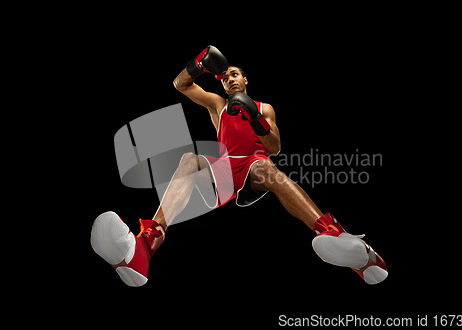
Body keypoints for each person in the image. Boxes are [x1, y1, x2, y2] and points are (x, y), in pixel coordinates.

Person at [91, 46, 388, 287]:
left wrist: (253, 116)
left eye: (235, 75)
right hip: (223, 169)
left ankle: (338, 238)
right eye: (225, 77)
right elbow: (180, 84)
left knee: (267, 168)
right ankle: (144, 246)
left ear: (246, 81)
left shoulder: (263, 108)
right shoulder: (218, 106)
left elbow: (275, 147)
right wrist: (199, 63)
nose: (230, 79)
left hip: (254, 166)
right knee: (189, 160)